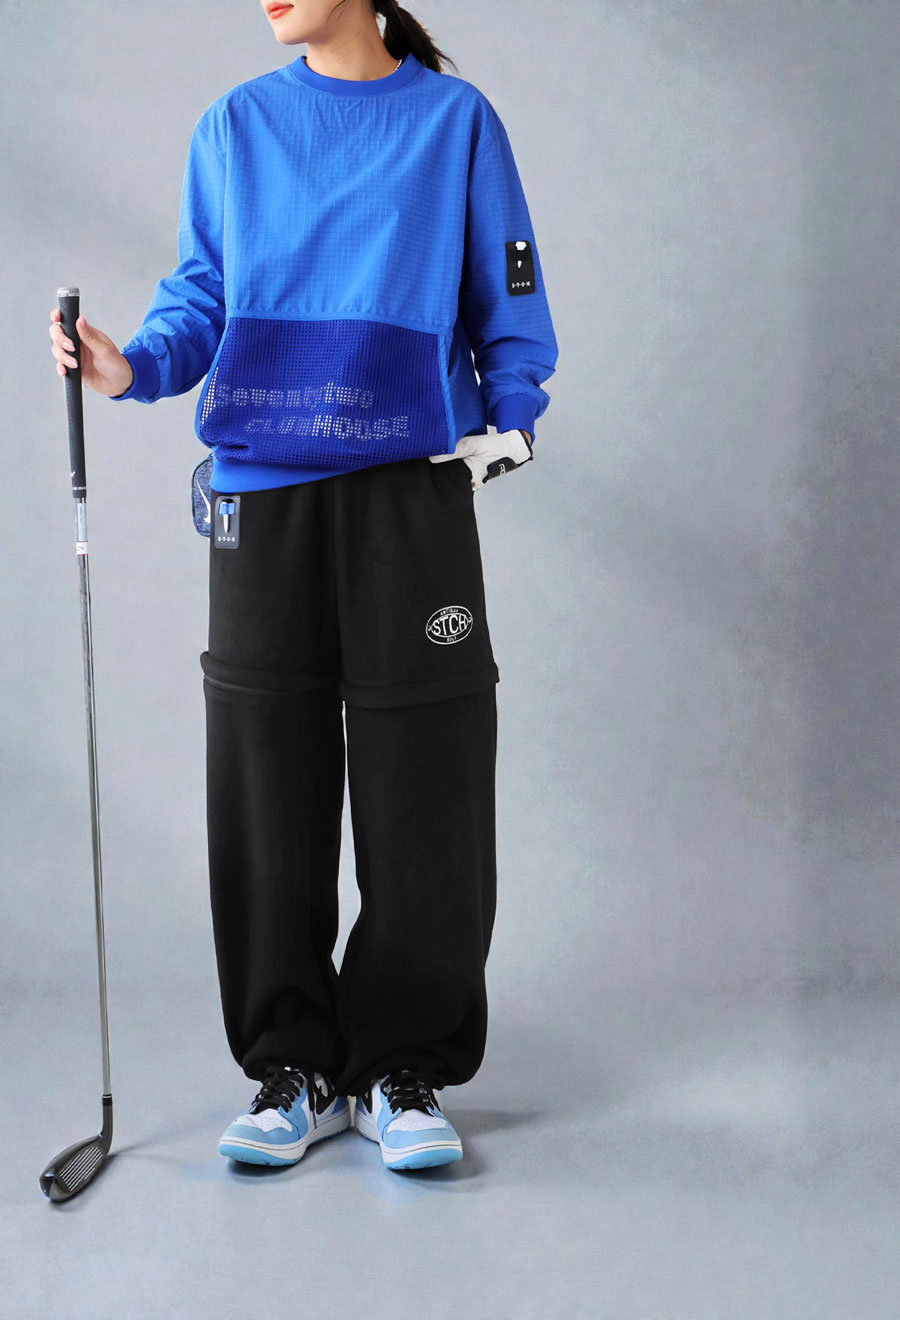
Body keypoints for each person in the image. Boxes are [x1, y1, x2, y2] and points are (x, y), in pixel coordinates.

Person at [48, 0, 557, 1173]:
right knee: (265, 776)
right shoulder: (235, 126)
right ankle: (294, 1067)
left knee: (426, 775)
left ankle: (399, 1066)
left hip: (409, 490)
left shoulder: (455, 123)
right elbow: (200, 297)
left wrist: (512, 419)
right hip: (261, 493)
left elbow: (510, 298)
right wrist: (132, 366)